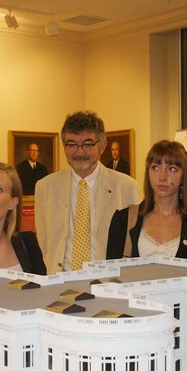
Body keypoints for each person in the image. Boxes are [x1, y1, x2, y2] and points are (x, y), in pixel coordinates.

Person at [35, 111, 139, 274]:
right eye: (71, 144)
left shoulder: (126, 187)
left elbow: (133, 246)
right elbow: (44, 244)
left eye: (88, 144)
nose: (79, 152)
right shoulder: (45, 187)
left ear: (102, 146)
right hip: (59, 283)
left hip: (108, 283)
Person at [106, 140, 187, 260]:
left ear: (184, 175)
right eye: (155, 167)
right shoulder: (123, 219)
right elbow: (111, 273)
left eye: (172, 169)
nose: (162, 177)